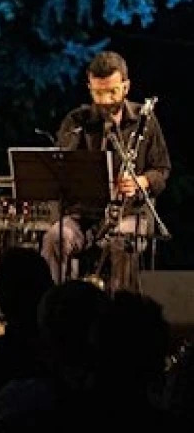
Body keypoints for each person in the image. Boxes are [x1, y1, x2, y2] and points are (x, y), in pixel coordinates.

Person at [40, 50, 170, 292]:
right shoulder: (76, 121)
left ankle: (120, 310)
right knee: (55, 238)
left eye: (112, 91)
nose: (106, 100)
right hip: (83, 215)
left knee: (122, 240)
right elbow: (60, 167)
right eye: (98, 93)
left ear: (126, 87)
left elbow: (162, 170)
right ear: (89, 87)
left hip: (130, 214)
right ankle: (54, 306)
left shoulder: (145, 120)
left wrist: (141, 181)